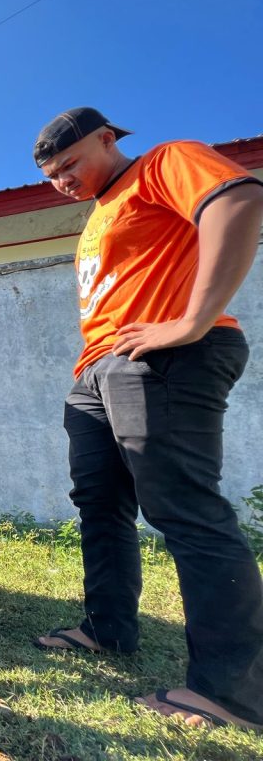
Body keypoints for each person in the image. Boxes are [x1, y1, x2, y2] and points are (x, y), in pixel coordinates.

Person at [30, 107, 263, 729]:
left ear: (108, 139)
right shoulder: (97, 215)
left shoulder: (165, 163)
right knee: (100, 504)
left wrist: (191, 319)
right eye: (53, 176)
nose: (63, 182)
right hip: (98, 371)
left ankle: (232, 691)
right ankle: (109, 629)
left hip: (168, 356)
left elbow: (237, 198)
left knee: (185, 509)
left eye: (71, 165)